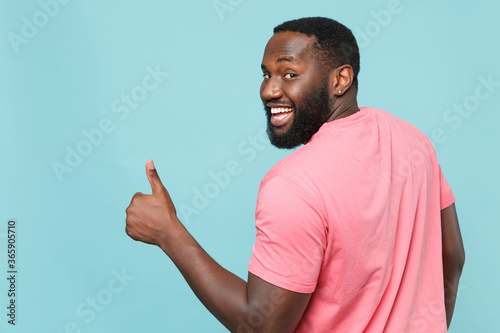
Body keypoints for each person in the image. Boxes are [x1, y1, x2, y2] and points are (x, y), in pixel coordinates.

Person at [125, 17, 465, 332]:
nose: (269, 91)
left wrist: (169, 232)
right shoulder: (413, 141)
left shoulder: (293, 185)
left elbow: (261, 324)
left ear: (340, 80)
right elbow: (452, 256)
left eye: (289, 74)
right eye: (266, 75)